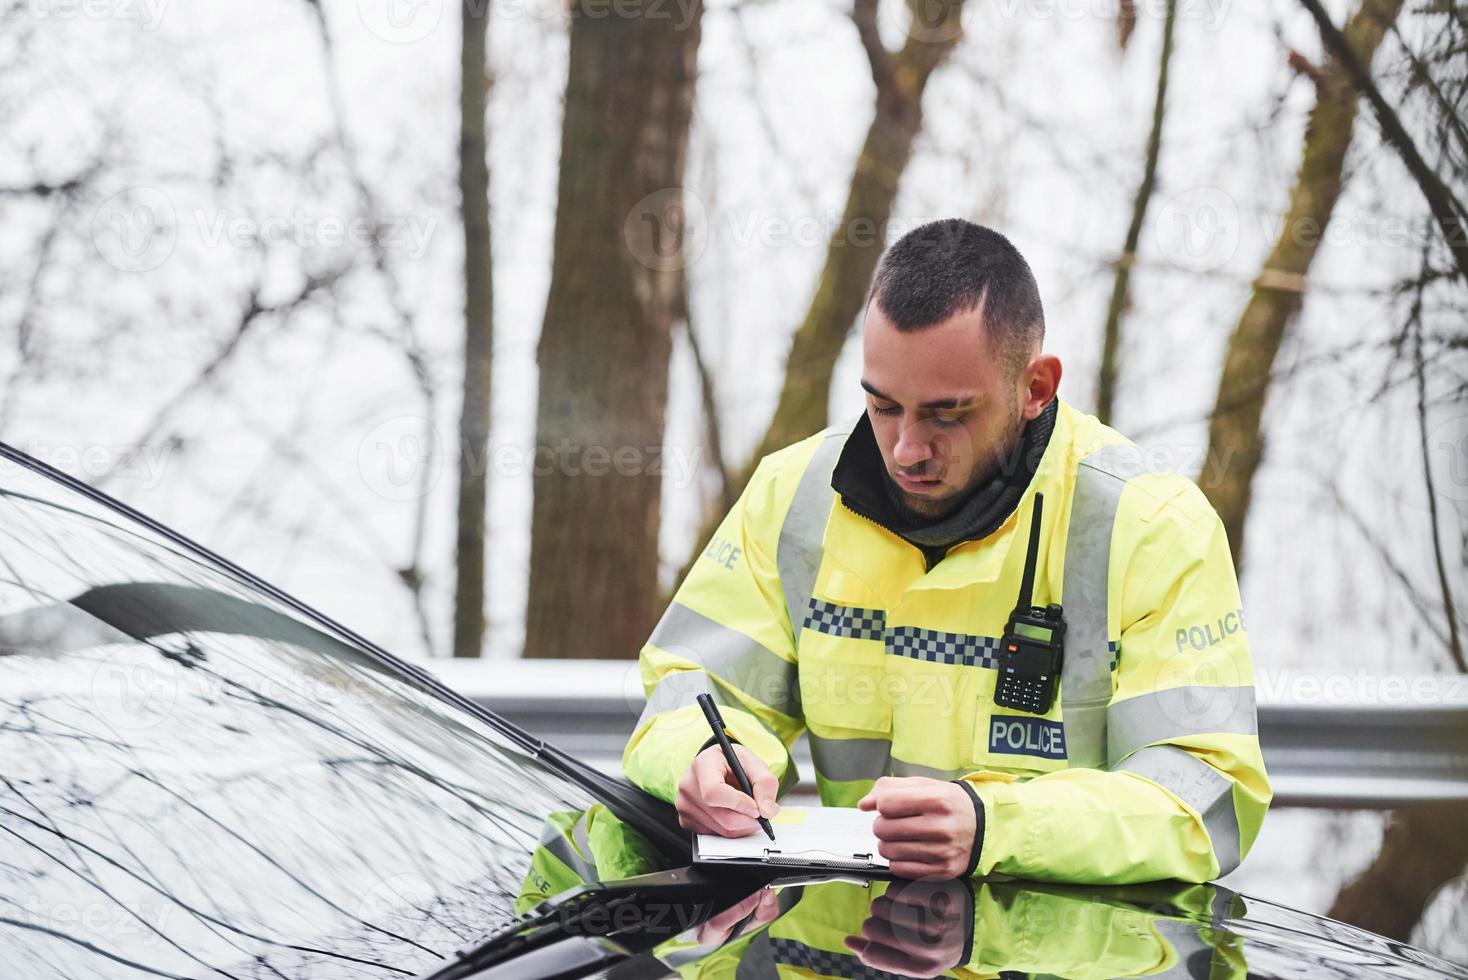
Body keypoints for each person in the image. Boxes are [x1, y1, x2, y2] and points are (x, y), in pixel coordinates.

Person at [622, 218, 1271, 884]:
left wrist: (994, 824)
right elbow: (694, 686)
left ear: (1037, 387)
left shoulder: (1153, 526)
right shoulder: (793, 498)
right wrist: (704, 755)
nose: (906, 448)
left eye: (947, 413)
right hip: (852, 944)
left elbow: (1206, 791)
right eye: (883, 405)